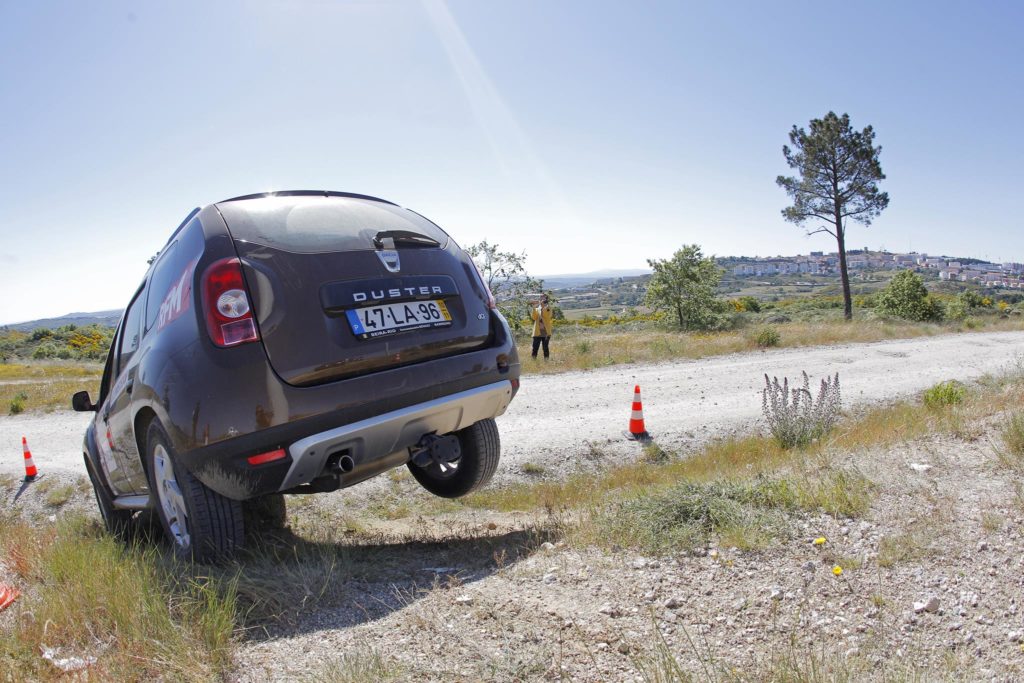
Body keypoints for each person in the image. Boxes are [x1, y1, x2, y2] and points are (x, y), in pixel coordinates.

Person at [530, 294, 553, 359]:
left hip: (546, 333)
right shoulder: (537, 308)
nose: (541, 299)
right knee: (535, 348)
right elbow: (534, 318)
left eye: (543, 298)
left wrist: (542, 306)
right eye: (541, 297)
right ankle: (533, 362)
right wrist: (534, 308)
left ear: (546, 299)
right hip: (537, 332)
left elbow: (546, 316)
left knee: (545, 348)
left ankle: (546, 362)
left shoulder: (548, 308)